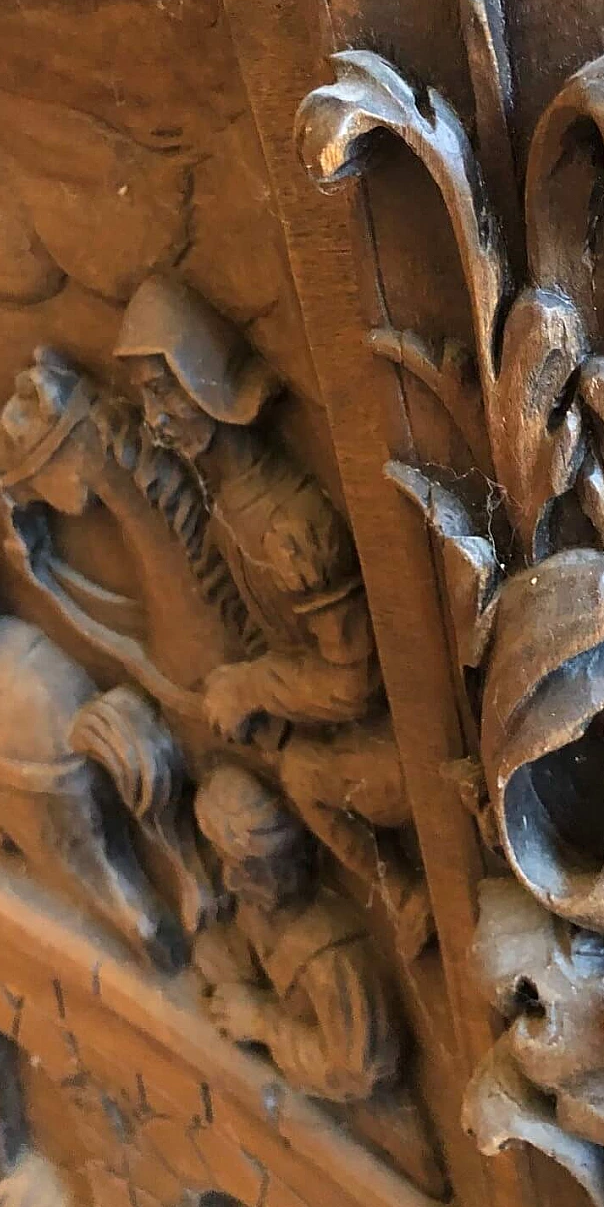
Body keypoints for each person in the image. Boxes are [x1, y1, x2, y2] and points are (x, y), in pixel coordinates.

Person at [115, 276, 433, 958]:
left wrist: (253, 686)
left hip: (401, 751)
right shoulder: (231, 507)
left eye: (163, 389)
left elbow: (355, 685)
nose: (154, 416)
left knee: (302, 780)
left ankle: (406, 891)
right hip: (316, 712)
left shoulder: (292, 524)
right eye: (145, 396)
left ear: (206, 381)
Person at [192, 763, 400, 1103]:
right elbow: (233, 947)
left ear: (302, 855)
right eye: (226, 860)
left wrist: (262, 1021)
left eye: (253, 868)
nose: (231, 880)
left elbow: (356, 1072)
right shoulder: (261, 905)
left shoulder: (332, 955)